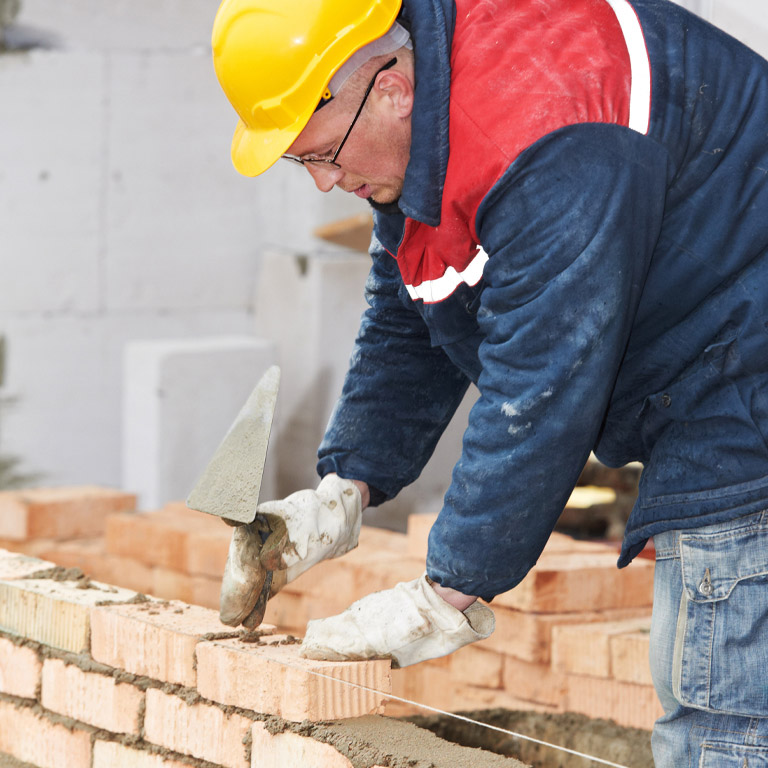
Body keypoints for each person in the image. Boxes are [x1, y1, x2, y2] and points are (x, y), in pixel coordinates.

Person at [210, 0, 768, 764]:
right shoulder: (431, 114)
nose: (322, 183)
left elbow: (541, 383)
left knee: (722, 723)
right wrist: (346, 487)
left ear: (389, 85)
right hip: (714, 345)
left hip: (747, 371)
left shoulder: (544, 132)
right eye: (301, 161)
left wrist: (447, 593)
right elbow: (420, 304)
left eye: (323, 154)